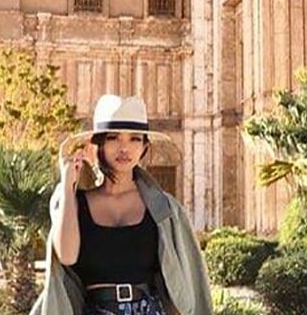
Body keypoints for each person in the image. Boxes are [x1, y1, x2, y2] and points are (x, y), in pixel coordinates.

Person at [30, 95, 213, 315]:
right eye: (113, 137)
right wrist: (68, 183)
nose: (124, 148)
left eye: (135, 138)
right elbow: (67, 256)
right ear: (98, 144)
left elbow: (186, 283)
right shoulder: (74, 204)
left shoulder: (165, 209)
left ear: (145, 147)